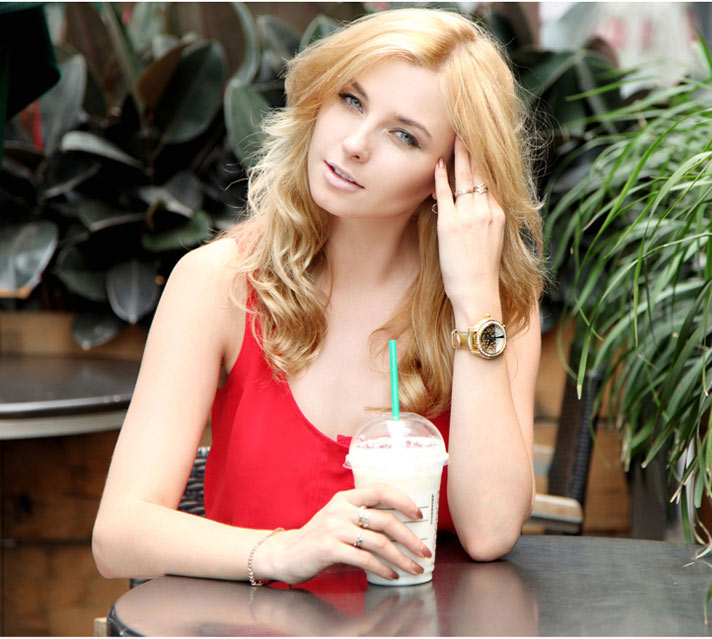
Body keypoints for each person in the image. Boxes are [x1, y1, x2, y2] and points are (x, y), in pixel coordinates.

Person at [92, 7, 543, 586]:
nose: (353, 143)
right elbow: (119, 535)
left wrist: (475, 300)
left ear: (454, 175)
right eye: (351, 100)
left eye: (404, 135)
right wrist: (284, 549)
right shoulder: (220, 283)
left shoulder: (494, 307)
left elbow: (491, 531)